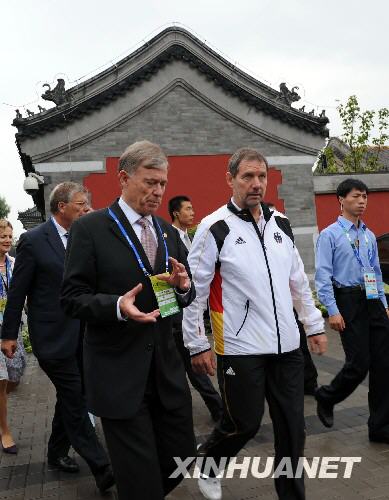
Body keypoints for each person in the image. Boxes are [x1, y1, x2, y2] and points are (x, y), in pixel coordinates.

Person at [183, 147, 327, 500]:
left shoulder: (281, 224)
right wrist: (197, 344)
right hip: (240, 348)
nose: (256, 183)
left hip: (287, 348)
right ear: (230, 179)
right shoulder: (214, 227)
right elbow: (193, 291)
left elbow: (297, 282)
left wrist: (314, 324)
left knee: (293, 429)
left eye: (261, 176)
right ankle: (210, 463)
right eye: (247, 176)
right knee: (243, 424)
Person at [60, 141, 196, 500]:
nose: (157, 191)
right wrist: (118, 306)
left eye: (162, 184)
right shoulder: (90, 229)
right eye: (150, 182)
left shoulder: (168, 233)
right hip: (119, 372)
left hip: (166, 371)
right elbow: (71, 299)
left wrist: (183, 287)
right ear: (124, 177)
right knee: (140, 483)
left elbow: (185, 291)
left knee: (181, 458)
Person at [0, 183, 114, 493]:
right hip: (52, 337)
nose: (85, 208)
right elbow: (18, 291)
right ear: (61, 206)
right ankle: (102, 465)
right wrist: (9, 334)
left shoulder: (85, 238)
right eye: (80, 204)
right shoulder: (34, 242)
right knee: (76, 397)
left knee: (72, 396)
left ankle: (55, 452)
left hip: (84, 333)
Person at [315, 178, 389, 442]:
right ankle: (327, 396)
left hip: (372, 301)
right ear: (341, 199)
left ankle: (379, 427)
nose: (362, 201)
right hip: (347, 301)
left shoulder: (368, 235)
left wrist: (383, 303)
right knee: (359, 364)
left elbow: (375, 272)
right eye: (357, 196)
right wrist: (332, 310)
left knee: (384, 365)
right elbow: (323, 277)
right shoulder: (330, 235)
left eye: (365, 197)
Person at [168, 196, 223, 422]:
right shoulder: (169, 238)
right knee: (195, 366)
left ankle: (217, 408)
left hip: (193, 308)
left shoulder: (189, 237)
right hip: (180, 313)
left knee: (188, 368)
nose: (192, 213)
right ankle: (219, 409)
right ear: (175, 213)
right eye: (187, 209)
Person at [266, 203, 319, 395]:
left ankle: (308, 382)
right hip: (268, 309)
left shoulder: (283, 236)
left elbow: (297, 276)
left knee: (300, 345)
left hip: (290, 305)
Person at [0, 219, 26, 454]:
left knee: (14, 378)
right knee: (1, 382)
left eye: (10, 236)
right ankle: (5, 432)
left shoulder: (15, 264)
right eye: (3, 237)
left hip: (12, 329)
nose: (8, 240)